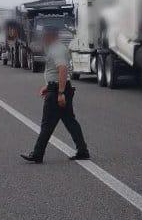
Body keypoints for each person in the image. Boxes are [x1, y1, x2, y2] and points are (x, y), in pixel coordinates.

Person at [20, 28, 90, 163]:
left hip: (58, 91)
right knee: (70, 122)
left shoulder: (57, 49)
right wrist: (48, 86)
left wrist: (60, 93)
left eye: (44, 36)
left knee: (47, 124)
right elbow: (56, 72)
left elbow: (62, 69)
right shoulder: (56, 48)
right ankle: (82, 150)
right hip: (58, 88)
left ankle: (37, 154)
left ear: (50, 35)